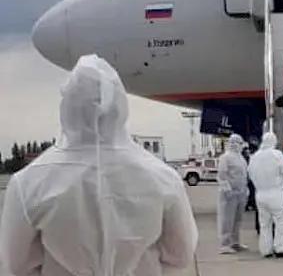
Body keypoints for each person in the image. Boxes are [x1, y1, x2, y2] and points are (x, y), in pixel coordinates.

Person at [0, 54, 198, 275]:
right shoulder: (162, 177)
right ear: (120, 106)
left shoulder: (28, 183)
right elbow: (181, 254)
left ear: (67, 106)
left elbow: (16, 265)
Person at [248, 132, 283, 258]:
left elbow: (250, 173)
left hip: (260, 194)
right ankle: (281, 248)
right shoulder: (276, 154)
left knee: (264, 224)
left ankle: (266, 249)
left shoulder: (255, 156)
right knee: (281, 222)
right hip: (277, 194)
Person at [217, 133, 249, 254]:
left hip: (241, 193)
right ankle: (224, 244)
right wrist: (227, 190)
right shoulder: (225, 157)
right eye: (237, 143)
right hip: (229, 194)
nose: (239, 145)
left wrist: (246, 189)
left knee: (237, 219)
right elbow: (222, 175)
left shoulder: (241, 158)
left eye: (240, 143)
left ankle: (235, 242)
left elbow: (244, 175)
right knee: (227, 219)